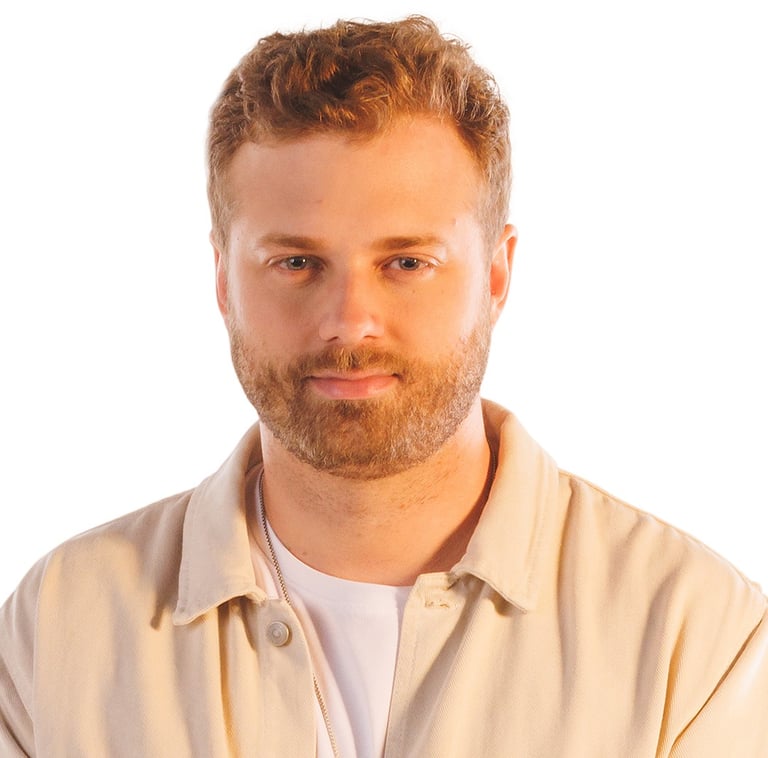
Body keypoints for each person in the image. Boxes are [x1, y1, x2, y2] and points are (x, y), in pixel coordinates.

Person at [1, 15, 766, 757]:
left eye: (406, 263)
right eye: (296, 263)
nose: (350, 322)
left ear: (497, 276)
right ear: (223, 279)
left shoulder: (696, 638)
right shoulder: (60, 627)